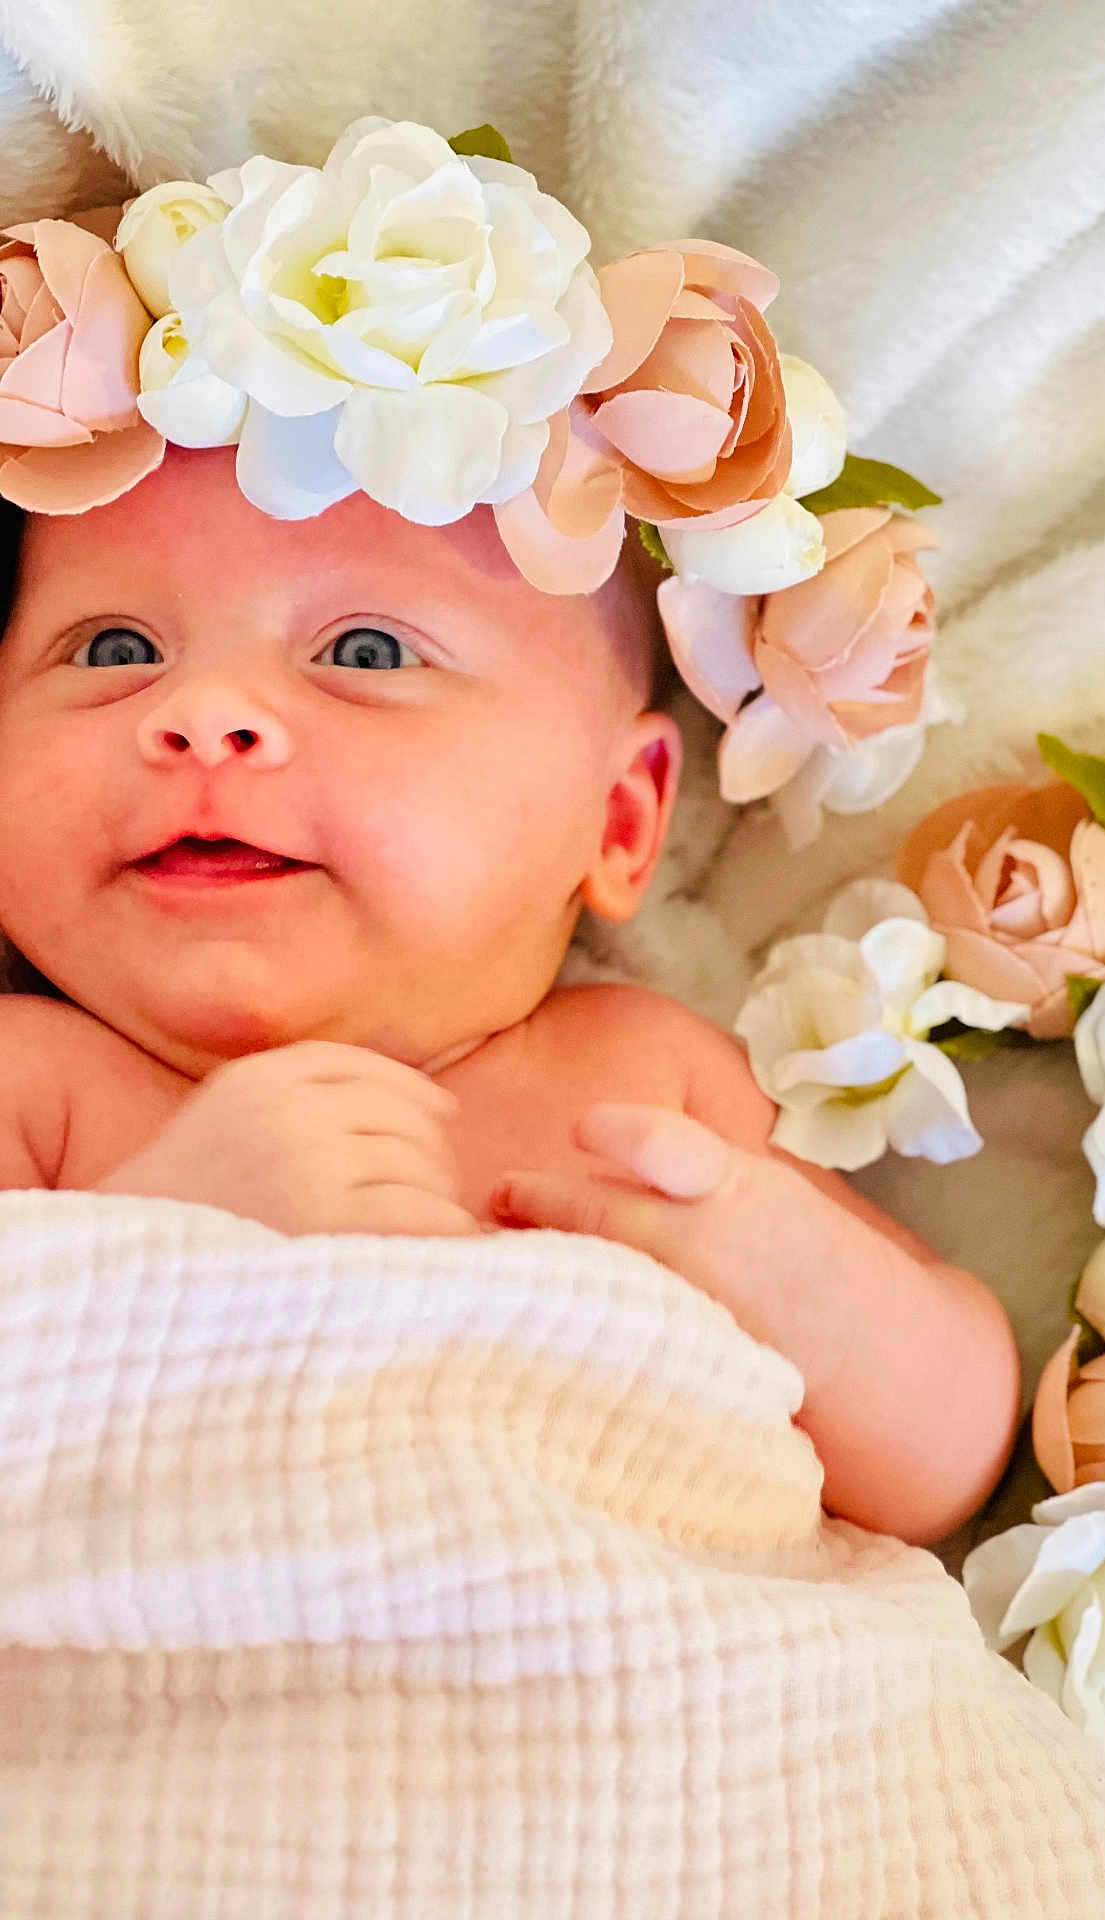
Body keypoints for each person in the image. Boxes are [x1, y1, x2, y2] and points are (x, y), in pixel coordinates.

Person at [0, 444, 1020, 1548]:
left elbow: (946, 1467)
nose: (202, 714)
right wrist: (163, 1245)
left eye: (367, 650)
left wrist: (805, 1286)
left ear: (620, 822)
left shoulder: (645, 1082)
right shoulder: (33, 1089)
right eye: (114, 648)